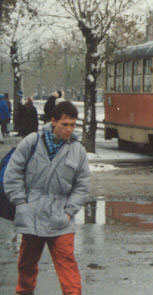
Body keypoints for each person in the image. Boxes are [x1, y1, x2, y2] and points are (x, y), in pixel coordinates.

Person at [3, 99, 91, 295]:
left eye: (73, 125)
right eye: (64, 124)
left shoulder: (78, 150)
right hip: (31, 213)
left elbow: (82, 186)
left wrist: (69, 212)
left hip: (60, 219)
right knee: (27, 264)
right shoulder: (32, 141)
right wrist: (21, 204)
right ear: (53, 121)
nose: (69, 129)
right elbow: (12, 174)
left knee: (68, 267)